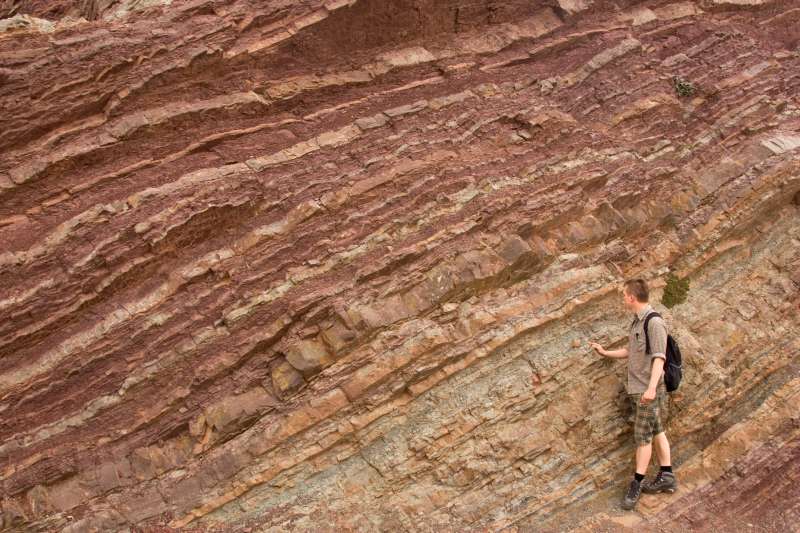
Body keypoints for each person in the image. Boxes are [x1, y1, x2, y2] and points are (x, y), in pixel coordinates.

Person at [588, 278, 677, 511]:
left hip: (646, 391)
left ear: (631, 297)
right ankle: (667, 475)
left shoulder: (654, 322)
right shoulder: (637, 322)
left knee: (643, 438)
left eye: (623, 295)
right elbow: (631, 350)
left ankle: (637, 483)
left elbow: (660, 357)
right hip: (639, 389)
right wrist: (605, 352)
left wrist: (650, 388)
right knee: (657, 430)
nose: (622, 299)